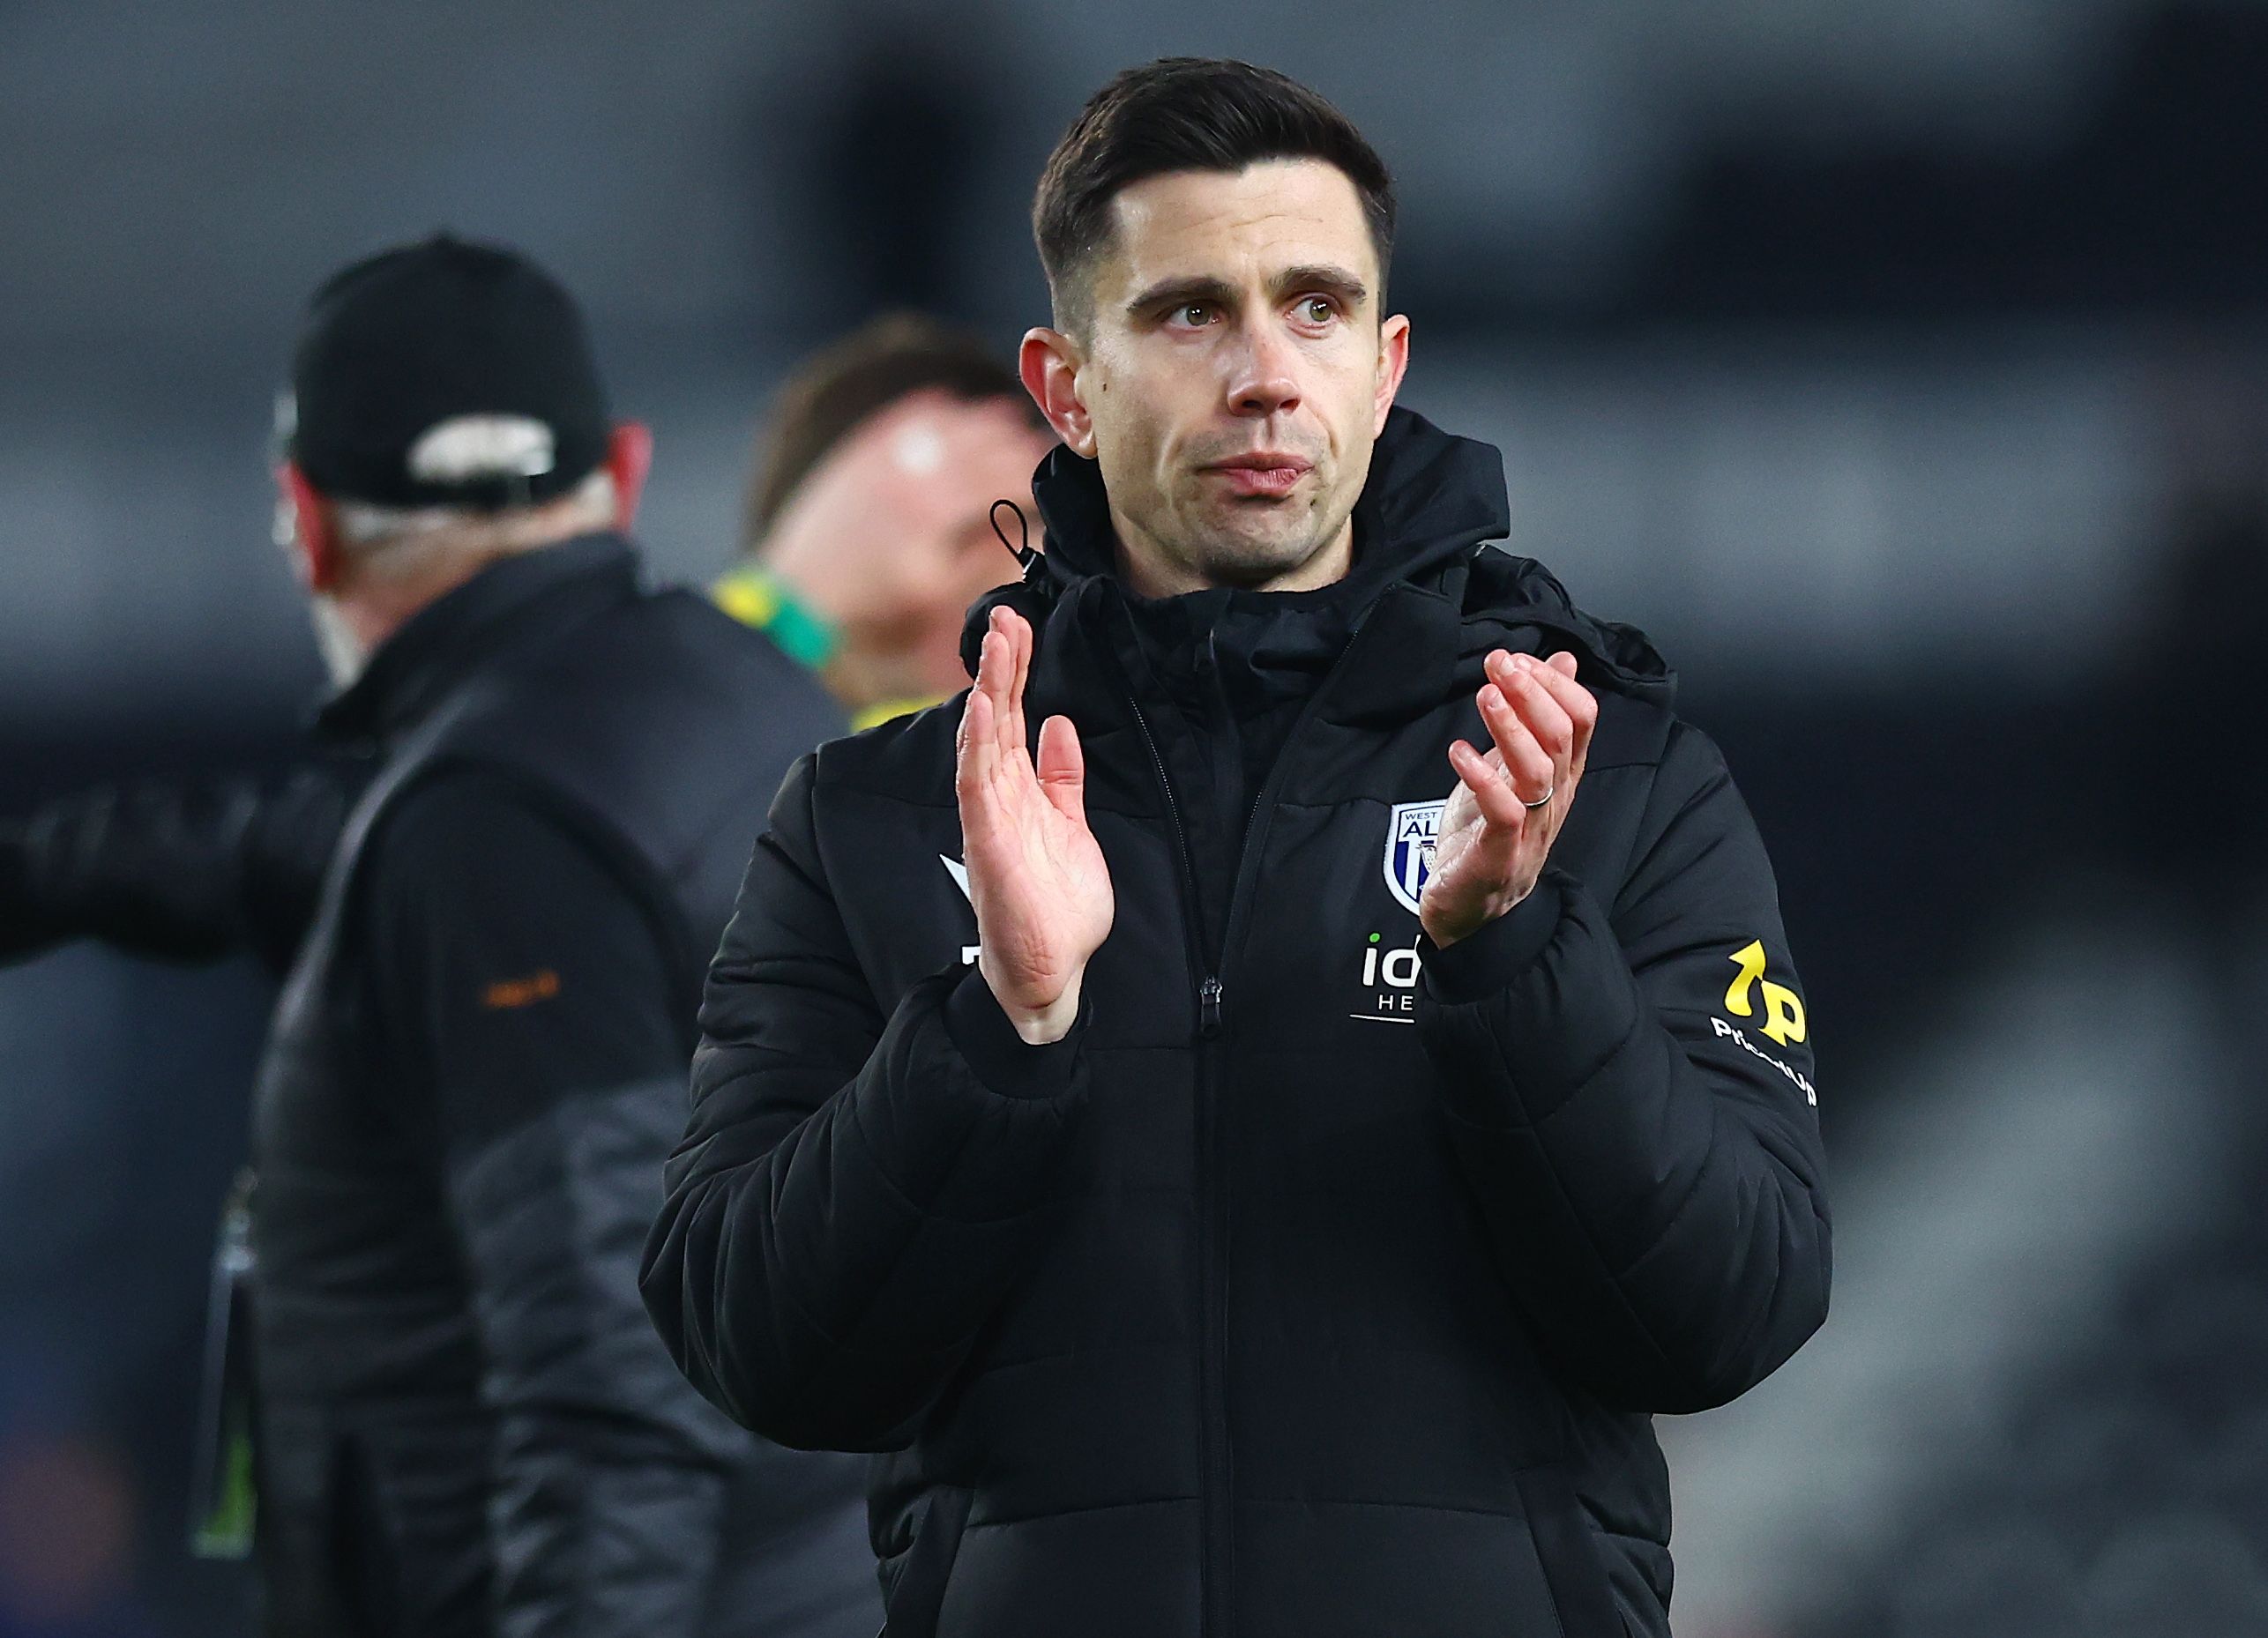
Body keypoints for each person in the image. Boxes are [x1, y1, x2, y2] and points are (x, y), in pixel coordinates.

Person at [642, 59, 1831, 1638]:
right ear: (1067, 387)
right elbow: (756, 1347)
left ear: (1385, 367)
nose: (1265, 376)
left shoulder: (1611, 780)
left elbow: (1734, 1307)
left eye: (1316, 308)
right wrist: (1000, 1028)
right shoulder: (876, 815)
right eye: (1190, 312)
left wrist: (1515, 957)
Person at [228, 235, 873, 1637]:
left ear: (309, 521)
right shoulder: (769, 703)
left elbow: (612, 1396)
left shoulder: (489, 827)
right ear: (621, 475)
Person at [1, 314, 1047, 972]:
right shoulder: (665, 741)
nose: (1035, 561)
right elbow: (329, 846)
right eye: (987, 521)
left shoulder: (1064, 767)